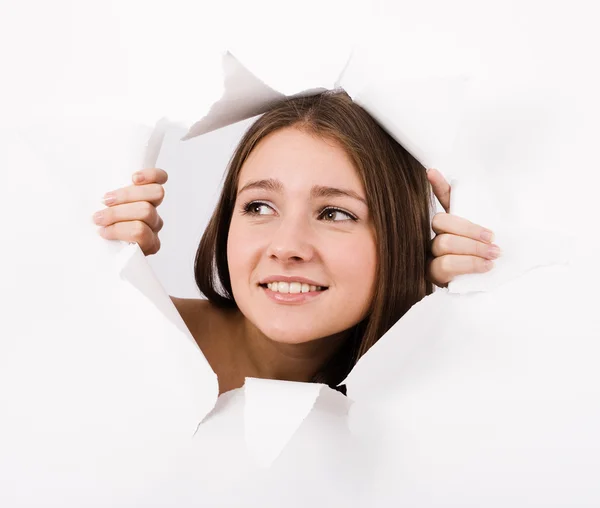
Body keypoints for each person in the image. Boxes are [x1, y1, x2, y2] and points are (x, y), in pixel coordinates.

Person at [92, 91, 500, 394]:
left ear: (400, 236)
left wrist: (470, 306)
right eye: (259, 206)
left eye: (335, 213)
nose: (287, 247)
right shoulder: (141, 339)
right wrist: (99, 270)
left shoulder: (438, 385)